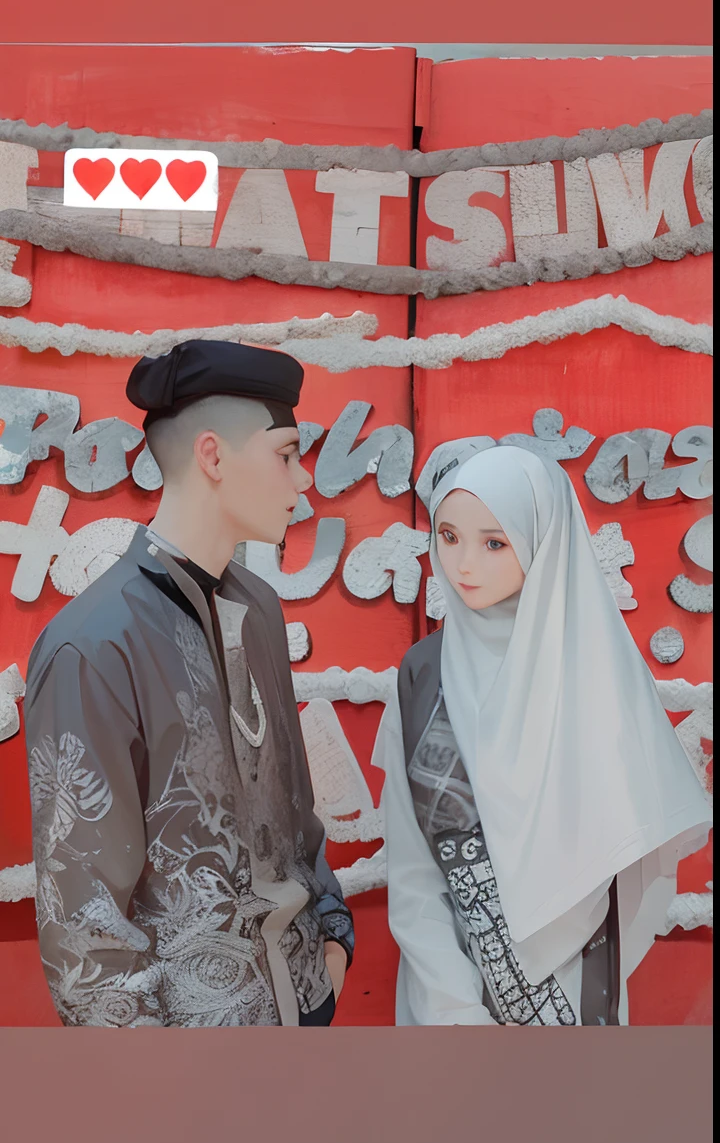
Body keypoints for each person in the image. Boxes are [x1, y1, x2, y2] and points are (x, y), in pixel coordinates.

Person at [25, 339, 354, 1027]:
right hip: (196, 1058)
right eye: (287, 454)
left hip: (311, 1003)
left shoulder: (259, 608)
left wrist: (331, 946)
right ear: (212, 456)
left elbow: (294, 815)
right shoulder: (92, 646)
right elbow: (83, 917)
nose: (303, 483)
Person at [377, 445, 710, 1027]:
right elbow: (413, 871)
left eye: (494, 542)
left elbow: (633, 854)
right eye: (449, 537)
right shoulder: (423, 675)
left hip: (579, 987)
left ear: (545, 541)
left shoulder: (595, 673)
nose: (463, 565)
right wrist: (455, 1012)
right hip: (447, 992)